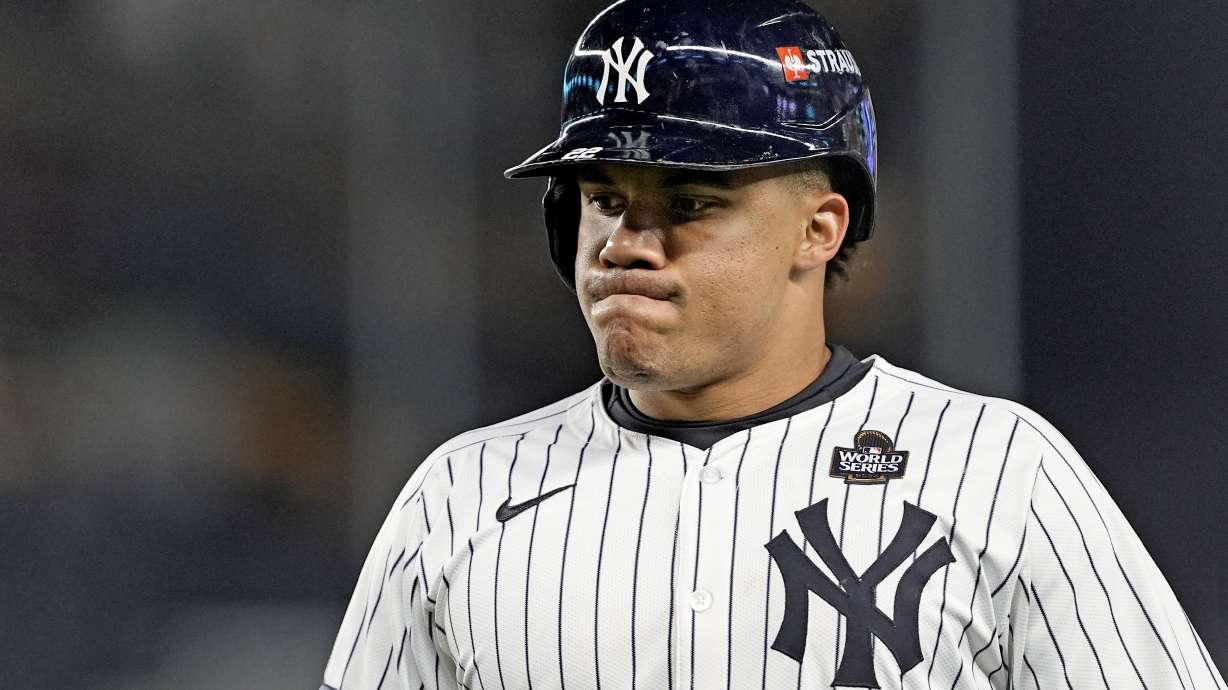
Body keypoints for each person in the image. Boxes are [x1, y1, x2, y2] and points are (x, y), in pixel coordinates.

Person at [321, 1, 1225, 688]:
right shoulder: (460, 496)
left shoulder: (998, 471)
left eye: (690, 203)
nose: (626, 242)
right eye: (603, 198)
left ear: (819, 229)